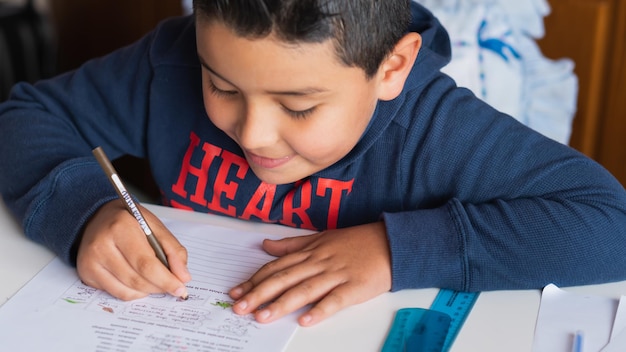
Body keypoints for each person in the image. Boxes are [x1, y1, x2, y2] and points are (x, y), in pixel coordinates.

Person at [1, 0, 626, 328]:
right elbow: (22, 118)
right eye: (221, 87)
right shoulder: (168, 64)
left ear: (393, 68)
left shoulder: (434, 128)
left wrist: (393, 252)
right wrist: (85, 210)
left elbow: (607, 221)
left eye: (298, 106)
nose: (253, 133)